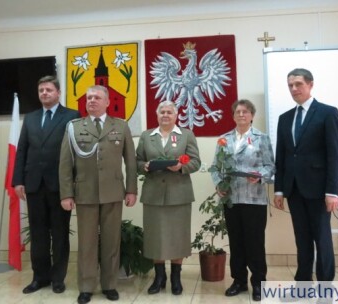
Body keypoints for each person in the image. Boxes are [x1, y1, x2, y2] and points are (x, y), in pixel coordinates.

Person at [58, 85, 138, 304]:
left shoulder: (120, 126)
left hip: (113, 192)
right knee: (87, 243)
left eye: (96, 97)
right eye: (89, 97)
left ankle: (110, 285)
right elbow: (65, 164)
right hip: (85, 193)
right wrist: (66, 194)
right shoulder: (74, 127)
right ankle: (86, 286)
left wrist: (131, 190)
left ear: (107, 101)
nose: (91, 100)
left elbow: (130, 161)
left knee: (112, 242)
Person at [273, 68, 338, 283]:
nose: (294, 89)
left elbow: (335, 155)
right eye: (290, 85)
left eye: (298, 84)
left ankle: (325, 287)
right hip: (294, 189)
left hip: (320, 190)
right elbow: (282, 156)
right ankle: (302, 284)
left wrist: (332, 191)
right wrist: (279, 189)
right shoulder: (284, 118)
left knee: (322, 240)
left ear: (310, 85)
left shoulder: (327, 113)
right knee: (302, 240)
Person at [12, 75, 80, 294]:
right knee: (38, 234)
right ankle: (39, 277)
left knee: (59, 235)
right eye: (41, 90)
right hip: (33, 185)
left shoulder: (71, 116)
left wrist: (73, 186)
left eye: (49, 90)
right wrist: (18, 180)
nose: (44, 93)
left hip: (60, 186)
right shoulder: (30, 118)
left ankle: (58, 278)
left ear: (58, 92)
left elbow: (75, 151)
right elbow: (22, 149)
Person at [210, 99, 275, 302]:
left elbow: (270, 166)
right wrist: (219, 184)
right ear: (233, 116)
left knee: (255, 243)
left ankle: (258, 283)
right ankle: (239, 281)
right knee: (236, 243)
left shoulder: (261, 138)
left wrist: (259, 174)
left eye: (245, 111)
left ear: (252, 116)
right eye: (237, 111)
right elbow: (215, 167)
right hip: (232, 199)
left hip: (254, 200)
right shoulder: (224, 139)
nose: (241, 114)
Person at [136, 100, 201, 296]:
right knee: (155, 237)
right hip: (153, 194)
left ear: (176, 115)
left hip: (179, 194)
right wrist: (145, 166)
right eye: (162, 112)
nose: (165, 115)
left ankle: (175, 277)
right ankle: (159, 277)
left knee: (177, 237)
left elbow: (196, 161)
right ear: (157, 115)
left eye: (169, 112)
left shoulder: (186, 135)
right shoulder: (147, 136)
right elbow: (137, 160)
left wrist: (181, 167)